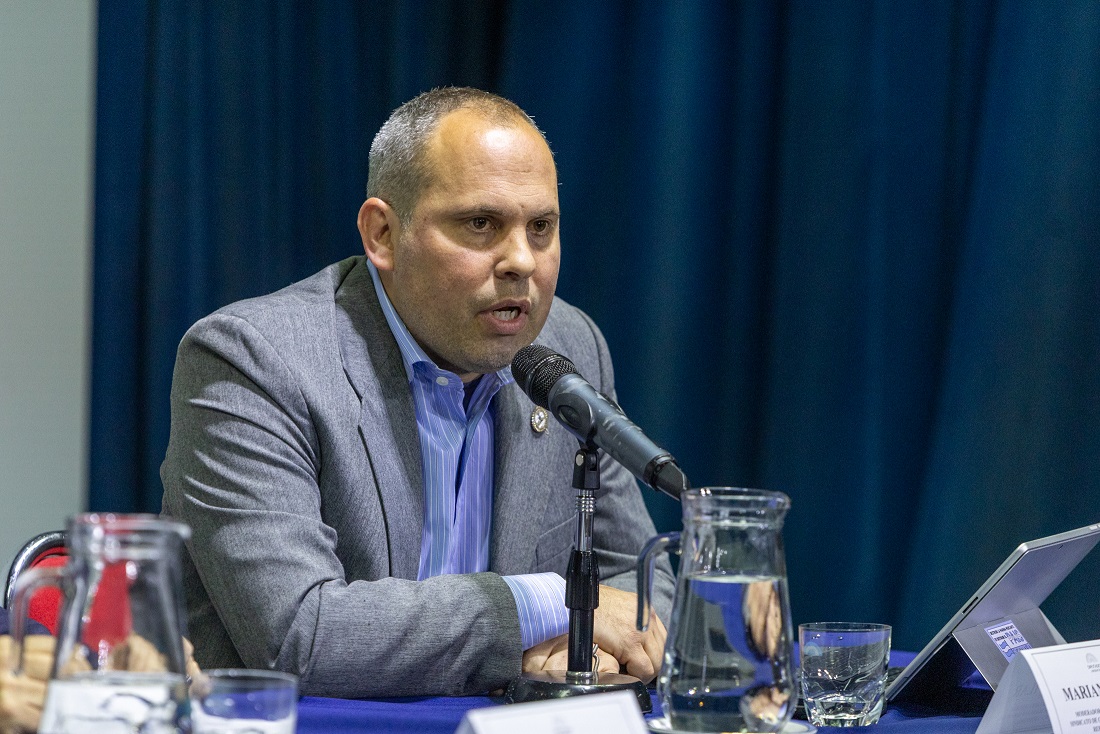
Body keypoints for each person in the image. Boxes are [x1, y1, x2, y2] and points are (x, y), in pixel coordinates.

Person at [160, 87, 676, 698]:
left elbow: (642, 585)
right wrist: (548, 605)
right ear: (382, 234)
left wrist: (587, 644)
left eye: (541, 227)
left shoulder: (568, 349)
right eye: (481, 224)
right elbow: (302, 635)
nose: (521, 260)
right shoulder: (254, 360)